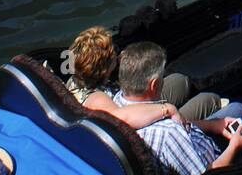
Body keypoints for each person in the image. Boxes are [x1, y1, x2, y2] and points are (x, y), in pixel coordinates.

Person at [111, 42, 242, 175]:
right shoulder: (168, 134)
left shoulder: (121, 102)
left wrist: (213, 125)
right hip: (212, 172)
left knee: (238, 110)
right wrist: (234, 147)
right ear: (154, 84)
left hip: (194, 147)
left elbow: (179, 125)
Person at [64, 26, 223, 130]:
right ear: (104, 68)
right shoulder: (97, 99)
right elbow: (121, 120)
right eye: (114, 53)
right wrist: (166, 109)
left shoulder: (74, 81)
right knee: (208, 99)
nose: (118, 55)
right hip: (143, 127)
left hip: (130, 100)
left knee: (180, 81)